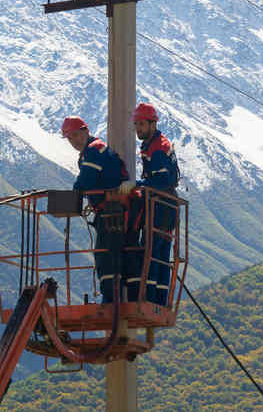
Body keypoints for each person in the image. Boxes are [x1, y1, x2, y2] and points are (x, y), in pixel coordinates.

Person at [61, 116, 130, 304]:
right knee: (112, 254)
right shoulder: (94, 150)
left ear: (86, 131)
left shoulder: (93, 151)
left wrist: (72, 196)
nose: (74, 141)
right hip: (113, 210)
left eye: (76, 135)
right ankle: (116, 297)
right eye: (70, 138)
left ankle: (111, 300)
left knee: (105, 255)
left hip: (111, 211)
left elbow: (85, 181)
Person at [131, 103, 180, 305]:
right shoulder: (156, 143)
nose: (138, 129)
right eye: (136, 124)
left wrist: (138, 185)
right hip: (167, 206)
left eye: (141, 124)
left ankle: (150, 298)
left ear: (153, 124)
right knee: (160, 255)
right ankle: (159, 300)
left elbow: (160, 180)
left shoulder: (158, 148)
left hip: (161, 205)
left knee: (151, 252)